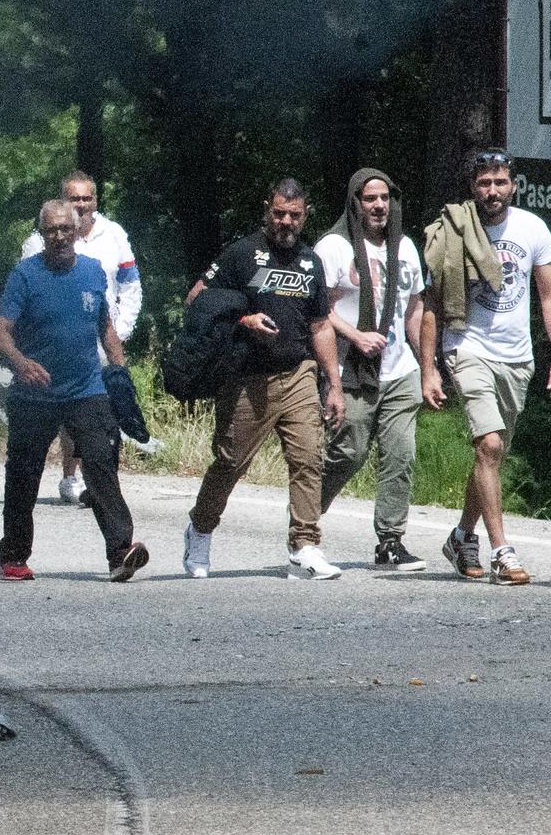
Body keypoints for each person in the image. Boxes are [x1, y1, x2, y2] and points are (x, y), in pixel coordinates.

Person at [182, 179, 345, 580]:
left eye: (293, 215)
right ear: (267, 211)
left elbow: (321, 325)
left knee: (307, 459)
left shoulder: (311, 261)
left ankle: (305, 546)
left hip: (299, 374)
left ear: (305, 215)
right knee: (230, 462)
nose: (285, 221)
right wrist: (243, 319)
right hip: (246, 378)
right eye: (278, 213)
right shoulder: (242, 254)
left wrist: (334, 383)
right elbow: (196, 299)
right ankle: (200, 529)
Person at [0, 200, 149, 582]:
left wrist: (119, 372)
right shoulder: (25, 275)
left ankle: (120, 552)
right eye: (51, 231)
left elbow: (105, 327)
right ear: (42, 234)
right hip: (34, 393)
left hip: (86, 389)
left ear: (76, 232)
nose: (59, 236)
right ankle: (13, 555)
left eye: (65, 229)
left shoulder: (93, 272)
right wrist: (20, 363)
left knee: (100, 463)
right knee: (24, 475)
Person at [419, 149, 551, 586]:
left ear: (512, 184)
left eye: (499, 182)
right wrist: (428, 368)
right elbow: (432, 305)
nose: (491, 191)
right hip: (468, 347)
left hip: (518, 358)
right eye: (483, 183)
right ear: (472, 187)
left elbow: (547, 298)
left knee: (490, 456)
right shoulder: (453, 231)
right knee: (490, 445)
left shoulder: (533, 229)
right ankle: (502, 553)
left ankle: (461, 536)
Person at [315, 169, 427, 571]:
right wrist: (356, 335)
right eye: (370, 199)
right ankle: (305, 526)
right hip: (352, 368)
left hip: (400, 369)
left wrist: (428, 367)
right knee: (349, 451)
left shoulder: (406, 248)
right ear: (355, 204)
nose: (379, 205)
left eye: (385, 198)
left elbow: (415, 310)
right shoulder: (334, 247)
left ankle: (390, 542)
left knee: (400, 455)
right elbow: (318, 310)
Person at [20, 171, 145, 503]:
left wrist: (122, 330)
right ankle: (70, 477)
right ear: (63, 200)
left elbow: (130, 286)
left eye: (86, 198)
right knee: (70, 411)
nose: (81, 204)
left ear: (95, 200)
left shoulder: (114, 235)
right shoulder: (38, 241)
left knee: (109, 408)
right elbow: (27, 295)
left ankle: (101, 482)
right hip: (62, 345)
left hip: (104, 339)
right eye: (74, 198)